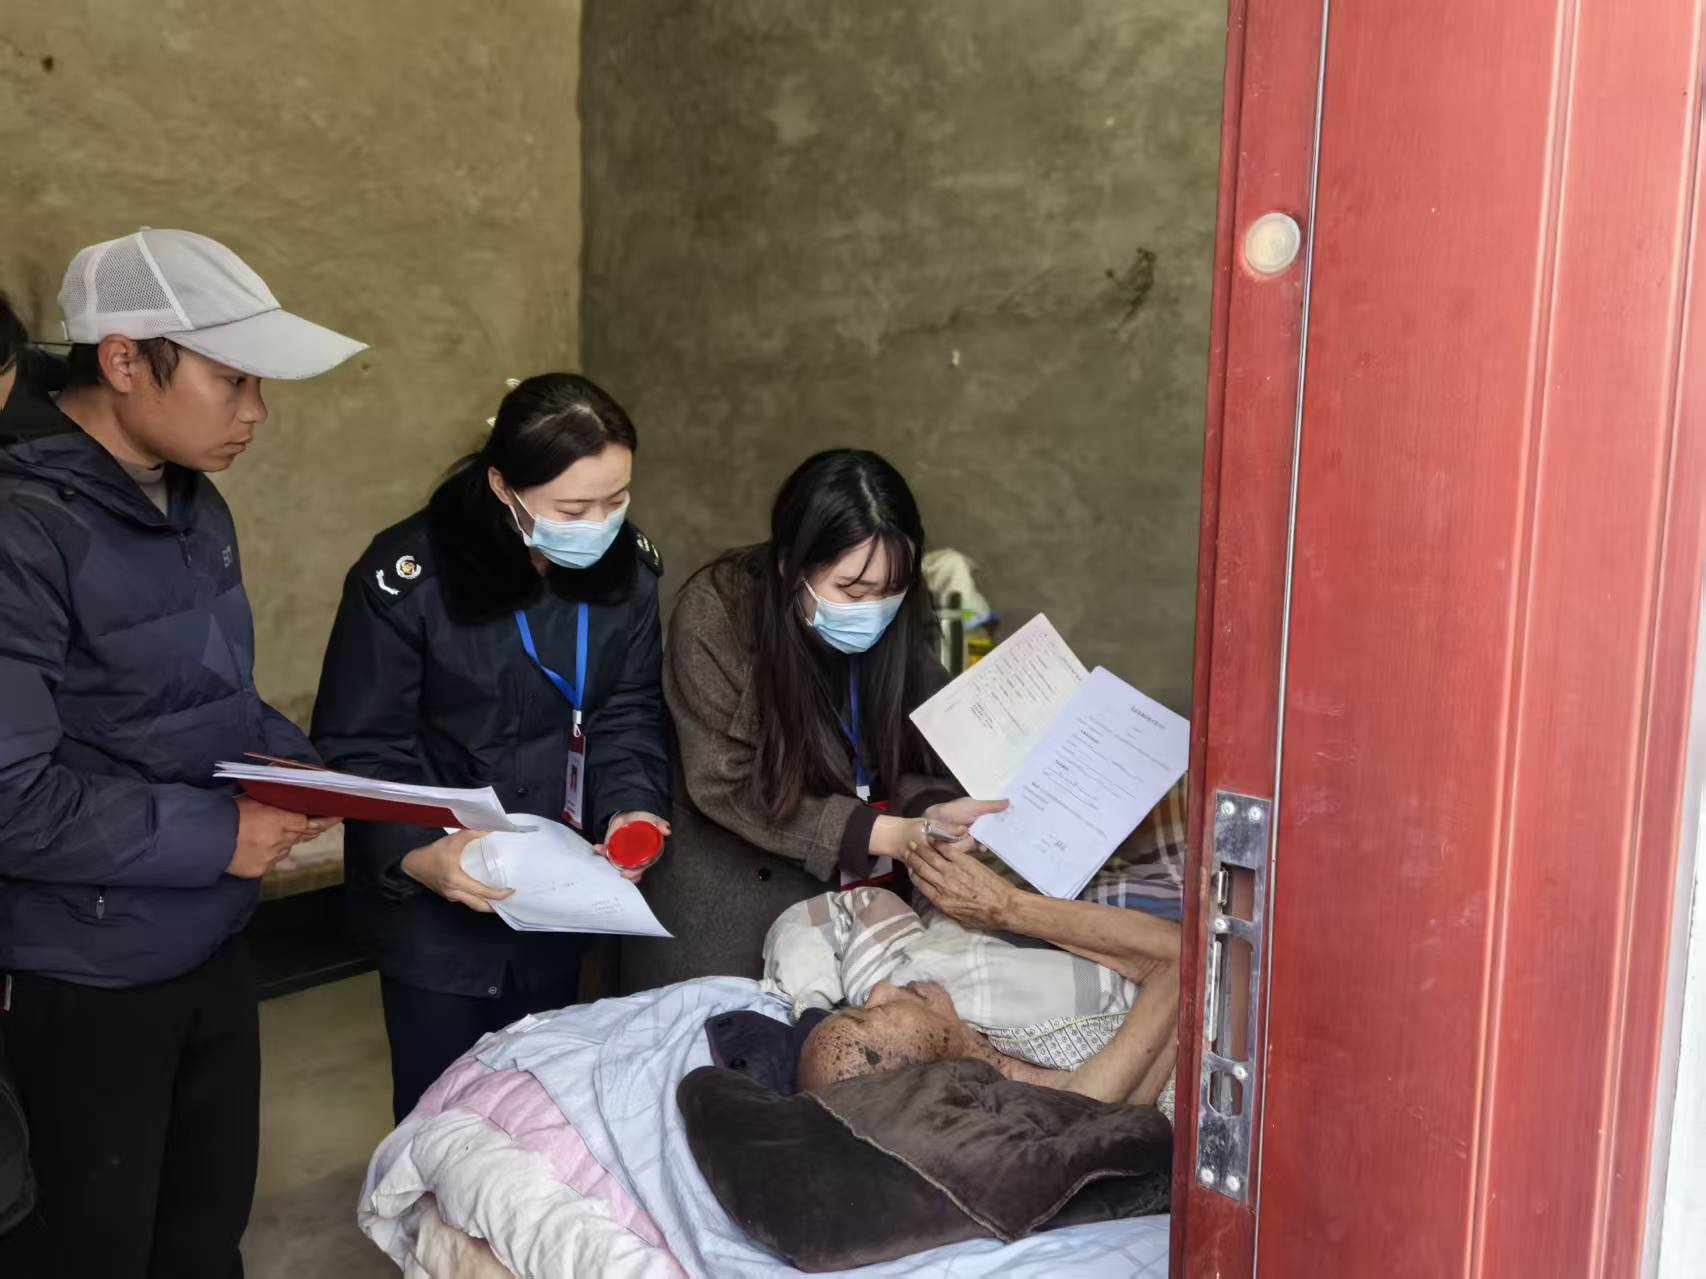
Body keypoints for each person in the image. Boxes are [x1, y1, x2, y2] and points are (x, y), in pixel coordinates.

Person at [0, 230, 364, 1278]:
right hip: (84, 968)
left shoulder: (190, 496)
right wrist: (219, 833)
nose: (255, 412)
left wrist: (293, 763)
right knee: (93, 1244)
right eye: (232, 379)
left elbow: (204, 697)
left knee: (202, 1233)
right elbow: (11, 797)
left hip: (207, 935)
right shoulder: (23, 526)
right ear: (122, 359)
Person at [312, 373, 671, 1122]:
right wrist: (417, 851)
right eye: (573, 510)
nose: (599, 524)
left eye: (616, 501)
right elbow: (359, 744)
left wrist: (630, 807)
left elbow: (628, 709)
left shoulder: (628, 574)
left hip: (563, 891)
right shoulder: (410, 578)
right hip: (436, 911)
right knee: (442, 1121)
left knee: (545, 1116)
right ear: (502, 484)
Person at [622, 448, 1005, 993]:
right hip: (733, 901)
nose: (873, 609)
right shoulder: (719, 614)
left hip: (864, 905)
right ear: (791, 566)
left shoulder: (903, 618)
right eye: (852, 590)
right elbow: (727, 783)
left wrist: (932, 813)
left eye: (890, 592)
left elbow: (920, 749)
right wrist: (889, 834)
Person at [798, 836, 1180, 1103]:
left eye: (857, 1005)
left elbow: (822, 920)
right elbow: (1176, 955)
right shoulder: (1083, 1099)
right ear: (914, 1082)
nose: (878, 990)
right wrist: (1006, 908)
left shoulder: (984, 1040)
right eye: (869, 1016)